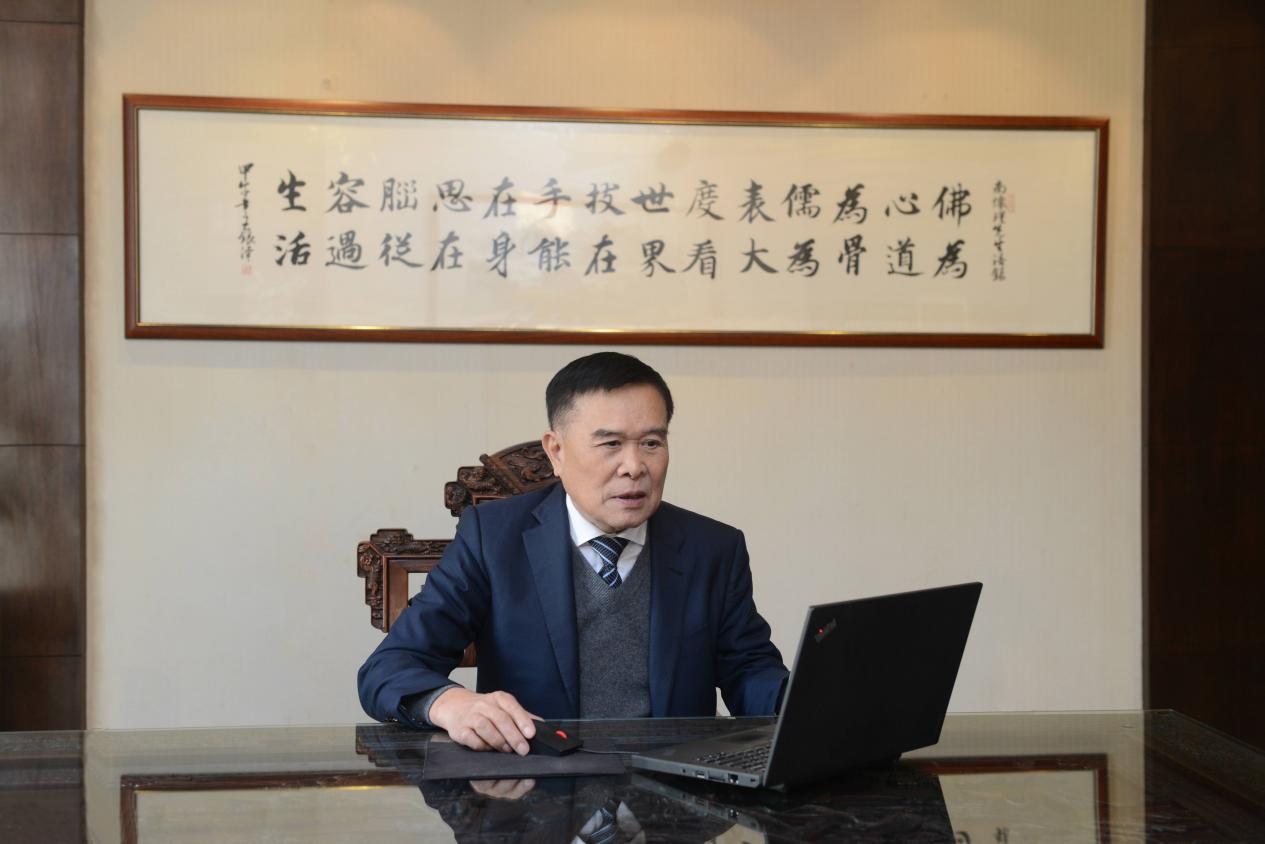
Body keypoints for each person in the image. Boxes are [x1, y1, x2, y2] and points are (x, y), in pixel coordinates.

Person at [357, 352, 787, 754]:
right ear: (556, 452)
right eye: (611, 444)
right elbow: (389, 667)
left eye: (651, 443)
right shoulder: (494, 539)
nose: (634, 466)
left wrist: (804, 703)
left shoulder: (712, 548)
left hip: (674, 785)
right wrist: (451, 704)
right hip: (531, 785)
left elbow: (750, 672)